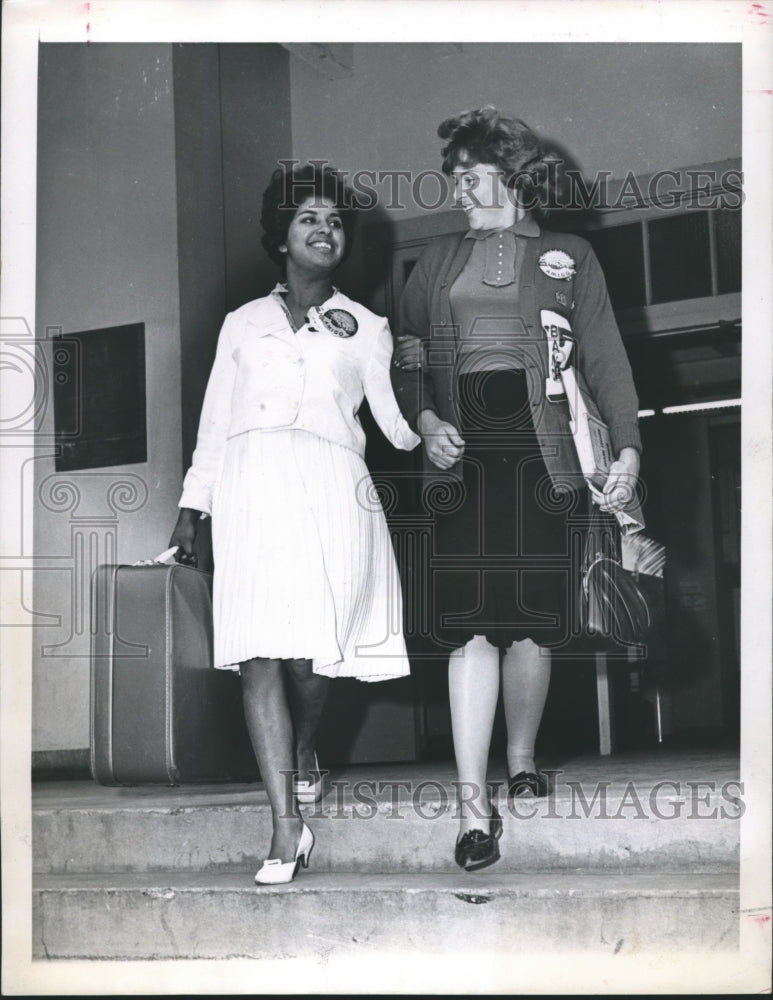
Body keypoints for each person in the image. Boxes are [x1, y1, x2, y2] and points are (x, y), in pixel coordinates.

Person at [391, 107, 641, 871]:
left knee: (533, 620)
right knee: (469, 623)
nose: (457, 188)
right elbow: (404, 361)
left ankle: (523, 755)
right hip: (462, 448)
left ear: (511, 175)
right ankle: (472, 808)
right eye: (453, 175)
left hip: (543, 448)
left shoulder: (570, 254)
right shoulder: (431, 262)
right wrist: (425, 417)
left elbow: (605, 357)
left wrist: (626, 446)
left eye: (470, 174)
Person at [170, 163, 420, 885]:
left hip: (331, 487)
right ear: (280, 235)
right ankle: (284, 825)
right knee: (257, 654)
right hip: (250, 487)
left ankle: (306, 744)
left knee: (311, 657)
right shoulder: (240, 325)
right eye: (309, 217)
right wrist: (194, 507)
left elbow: (395, 427)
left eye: (335, 221)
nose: (323, 229)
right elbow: (214, 426)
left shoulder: (367, 329)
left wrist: (430, 426)